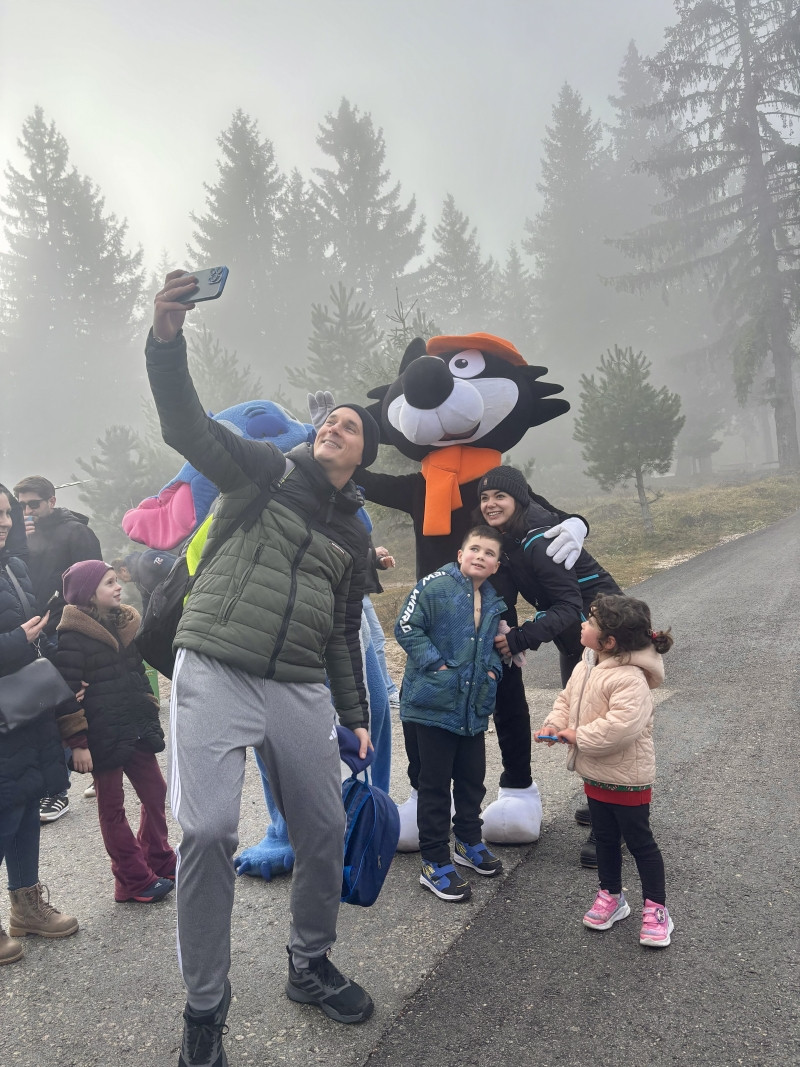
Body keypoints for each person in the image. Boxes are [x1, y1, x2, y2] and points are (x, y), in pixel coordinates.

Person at [148, 269, 378, 1067]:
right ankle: (205, 1006)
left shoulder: (352, 539)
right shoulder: (265, 471)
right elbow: (186, 425)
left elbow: (344, 634)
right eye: (326, 419)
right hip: (214, 664)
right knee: (207, 829)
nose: (331, 427)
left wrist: (356, 717)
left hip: (302, 686)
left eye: (347, 425)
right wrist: (167, 338)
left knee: (322, 828)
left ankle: (309, 963)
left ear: (362, 451)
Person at [477, 465, 621, 865]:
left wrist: (519, 638)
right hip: (578, 635)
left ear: (519, 500)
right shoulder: (512, 540)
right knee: (581, 721)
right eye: (484, 498)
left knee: (603, 730)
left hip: (607, 634)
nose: (490, 504)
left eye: (499, 497)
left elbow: (568, 606)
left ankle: (612, 829)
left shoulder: (540, 540)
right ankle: (600, 803)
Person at [535, 593, 675, 948]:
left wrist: (576, 736)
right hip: (595, 774)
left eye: (590, 622)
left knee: (641, 843)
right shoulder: (587, 663)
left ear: (609, 641)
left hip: (628, 778)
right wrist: (555, 724)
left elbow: (620, 727)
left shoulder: (629, 677)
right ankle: (611, 897)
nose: (583, 624)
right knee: (606, 839)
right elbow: (567, 700)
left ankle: (657, 909)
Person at [395, 525, 506, 902]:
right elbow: (406, 627)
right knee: (435, 785)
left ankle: (469, 842)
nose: (480, 556)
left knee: (473, 778)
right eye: (474, 548)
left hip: (472, 709)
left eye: (489, 553)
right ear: (460, 554)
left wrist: (493, 671)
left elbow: (495, 647)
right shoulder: (435, 585)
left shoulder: (492, 600)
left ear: (495, 565)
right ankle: (434, 861)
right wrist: (438, 667)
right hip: (431, 706)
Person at [54, 560, 176, 904]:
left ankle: (157, 857)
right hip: (102, 732)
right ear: (89, 594)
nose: (118, 586)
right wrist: (77, 743)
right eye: (109, 583)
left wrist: (148, 701)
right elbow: (66, 691)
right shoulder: (73, 637)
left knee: (155, 790)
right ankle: (131, 878)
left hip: (134, 724)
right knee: (112, 806)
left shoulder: (124, 625)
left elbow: (137, 669)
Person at [0, 483, 78, 965]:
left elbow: (29, 634)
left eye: (6, 513)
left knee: (28, 805)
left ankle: (26, 907)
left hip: (26, 708)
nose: (5, 521)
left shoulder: (14, 566)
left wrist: (60, 673)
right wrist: (14, 641)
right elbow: (13, 638)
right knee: (5, 814)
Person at [13, 474, 102, 824]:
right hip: (34, 631)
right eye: (21, 506)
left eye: (33, 504)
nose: (27, 511)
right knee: (52, 708)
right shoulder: (21, 536)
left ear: (51, 501)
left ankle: (70, 784)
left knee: (77, 701)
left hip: (66, 631)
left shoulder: (75, 532)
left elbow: (92, 582)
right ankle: (66, 782)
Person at [362, 535, 400, 708]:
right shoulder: (342, 514)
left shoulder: (358, 515)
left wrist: (379, 561)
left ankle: (380, 689)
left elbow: (363, 553)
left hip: (362, 590)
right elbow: (347, 549)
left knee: (369, 642)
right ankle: (387, 690)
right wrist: (373, 553)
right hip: (355, 591)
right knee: (376, 640)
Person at [113, 549, 177, 615]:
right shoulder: (139, 584)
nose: (124, 582)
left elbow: (175, 566)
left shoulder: (146, 558)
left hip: (184, 586)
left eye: (121, 578)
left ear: (123, 570)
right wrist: (144, 624)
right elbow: (147, 606)